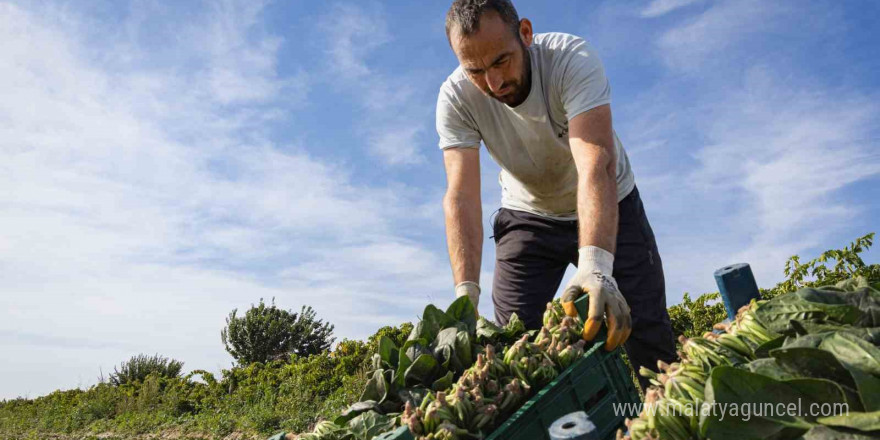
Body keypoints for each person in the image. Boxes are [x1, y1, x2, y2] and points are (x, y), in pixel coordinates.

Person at [436, 0, 676, 388]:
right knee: (510, 348)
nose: (493, 84)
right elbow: (461, 195)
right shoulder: (455, 98)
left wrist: (596, 265)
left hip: (608, 202)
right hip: (527, 215)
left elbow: (595, 161)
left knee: (649, 338)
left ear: (525, 34)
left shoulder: (570, 59)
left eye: (501, 61)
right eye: (475, 71)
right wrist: (465, 294)